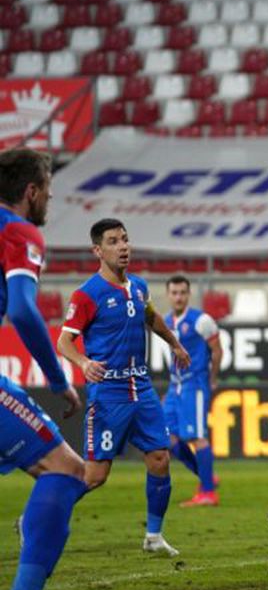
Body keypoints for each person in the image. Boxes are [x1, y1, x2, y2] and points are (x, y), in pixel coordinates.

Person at [57, 218, 190, 557]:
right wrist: (84, 363)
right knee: (96, 475)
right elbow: (64, 341)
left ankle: (154, 536)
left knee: (160, 458)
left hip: (140, 386)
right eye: (114, 241)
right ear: (98, 251)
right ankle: (37, 517)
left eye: (126, 239)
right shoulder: (87, 294)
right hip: (110, 393)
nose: (124, 247)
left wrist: (174, 343)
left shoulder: (139, 286)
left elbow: (150, 317)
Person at [0, 148, 87, 590]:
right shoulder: (18, 231)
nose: (51, 197)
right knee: (67, 469)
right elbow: (25, 312)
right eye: (48, 189)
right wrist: (57, 379)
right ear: (31, 191)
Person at [161, 275, 222, 507]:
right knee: (168, 437)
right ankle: (207, 477)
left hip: (194, 384)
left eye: (183, 293)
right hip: (175, 386)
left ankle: (208, 493)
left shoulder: (201, 320)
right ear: (168, 295)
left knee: (197, 437)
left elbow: (217, 351)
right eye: (174, 293)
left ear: (189, 294)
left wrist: (211, 380)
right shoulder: (166, 321)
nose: (178, 297)